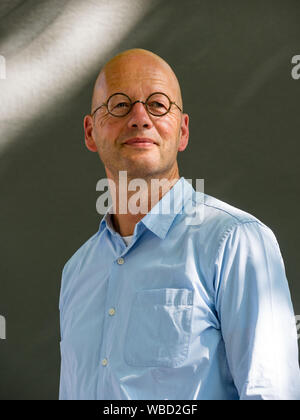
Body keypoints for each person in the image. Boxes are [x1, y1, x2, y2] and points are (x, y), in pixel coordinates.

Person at [59, 48, 300, 400]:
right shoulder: (77, 272)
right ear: (90, 132)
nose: (140, 118)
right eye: (119, 105)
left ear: (183, 131)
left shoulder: (235, 242)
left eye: (157, 105)